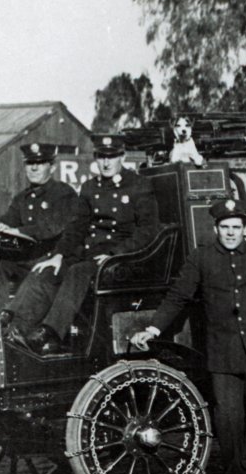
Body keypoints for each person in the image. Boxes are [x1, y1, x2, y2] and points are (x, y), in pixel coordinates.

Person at [130, 198, 246, 474]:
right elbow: (178, 296)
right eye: (225, 227)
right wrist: (153, 329)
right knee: (228, 419)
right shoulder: (202, 258)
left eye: (236, 227)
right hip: (223, 354)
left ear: (245, 229)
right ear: (216, 229)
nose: (231, 232)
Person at [8, 135, 160, 354]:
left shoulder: (139, 185)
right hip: (92, 255)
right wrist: (59, 255)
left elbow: (148, 230)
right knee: (46, 269)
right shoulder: (89, 187)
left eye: (111, 157)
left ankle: (49, 334)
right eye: (101, 157)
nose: (106, 163)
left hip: (124, 259)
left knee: (78, 271)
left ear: (122, 157)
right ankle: (17, 329)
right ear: (96, 158)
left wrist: (115, 253)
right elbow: (77, 227)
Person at [0, 143, 86, 294]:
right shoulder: (22, 197)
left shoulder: (63, 193)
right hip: (28, 259)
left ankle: (13, 309)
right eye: (30, 163)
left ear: (52, 167)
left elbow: (52, 227)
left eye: (40, 163)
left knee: (32, 280)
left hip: (53, 257)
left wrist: (18, 231)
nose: (34, 168)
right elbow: (9, 219)